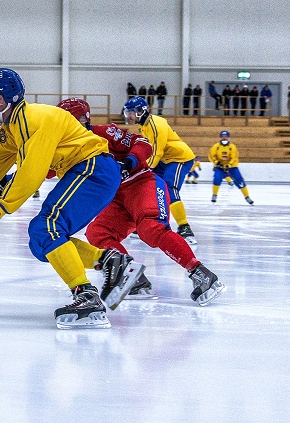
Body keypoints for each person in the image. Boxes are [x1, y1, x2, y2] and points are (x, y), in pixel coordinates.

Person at [0, 68, 145, 329]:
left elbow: (32, 172)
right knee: (41, 242)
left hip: (94, 169)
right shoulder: (7, 131)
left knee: (46, 227)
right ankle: (112, 262)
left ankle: (86, 296)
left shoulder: (37, 119)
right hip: (85, 172)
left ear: (0, 100)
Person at [59, 98, 225, 305]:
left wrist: (130, 161)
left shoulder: (105, 132)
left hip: (142, 184)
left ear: (85, 119)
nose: (70, 124)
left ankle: (200, 273)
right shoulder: (64, 147)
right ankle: (132, 276)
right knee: (98, 233)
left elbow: (142, 143)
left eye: (74, 119)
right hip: (116, 197)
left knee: (150, 229)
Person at [123, 96, 198, 244]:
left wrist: (141, 169)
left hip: (179, 158)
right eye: (127, 113)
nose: (129, 116)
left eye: (131, 113)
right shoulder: (144, 125)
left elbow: (156, 152)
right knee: (149, 186)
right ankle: (150, 223)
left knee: (170, 188)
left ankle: (184, 227)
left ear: (141, 111)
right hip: (166, 159)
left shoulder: (156, 124)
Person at [209, 130, 254, 205]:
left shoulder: (232, 147)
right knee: (216, 179)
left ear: (229, 138)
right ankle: (214, 195)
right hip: (220, 167)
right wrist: (217, 162)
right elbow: (211, 156)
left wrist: (229, 165)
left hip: (232, 167)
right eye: (223, 137)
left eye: (226, 137)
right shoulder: (215, 146)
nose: (224, 138)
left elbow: (234, 157)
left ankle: (247, 197)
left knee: (240, 181)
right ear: (220, 138)